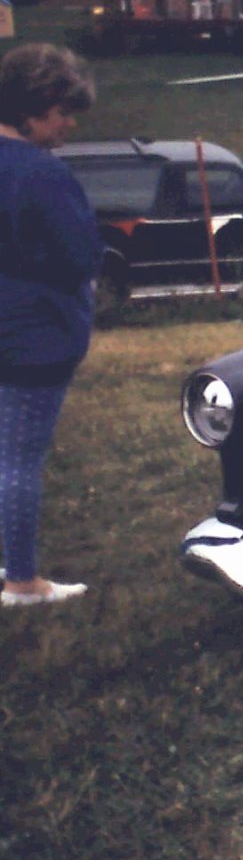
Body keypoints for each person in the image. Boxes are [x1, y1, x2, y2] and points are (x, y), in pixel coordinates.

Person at [0, 43, 100, 608]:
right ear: (34, 109)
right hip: (33, 338)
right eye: (63, 112)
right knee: (18, 461)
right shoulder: (43, 174)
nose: (68, 125)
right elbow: (81, 255)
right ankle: (21, 582)